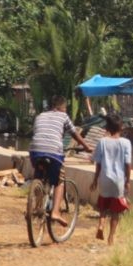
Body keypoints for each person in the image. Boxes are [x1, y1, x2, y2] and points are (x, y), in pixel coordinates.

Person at [29, 95, 91, 227]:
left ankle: (35, 207)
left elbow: (38, 133)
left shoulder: (40, 116)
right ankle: (55, 212)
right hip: (53, 151)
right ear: (62, 107)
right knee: (59, 181)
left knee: (38, 176)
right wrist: (86, 147)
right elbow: (74, 133)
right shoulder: (64, 116)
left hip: (35, 150)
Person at [90, 114, 131, 245]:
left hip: (104, 178)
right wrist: (128, 181)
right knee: (116, 210)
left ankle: (101, 224)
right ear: (121, 127)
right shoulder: (126, 143)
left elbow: (98, 163)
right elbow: (128, 164)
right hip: (118, 180)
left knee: (103, 205)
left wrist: (95, 179)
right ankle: (111, 237)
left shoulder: (102, 141)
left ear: (108, 128)